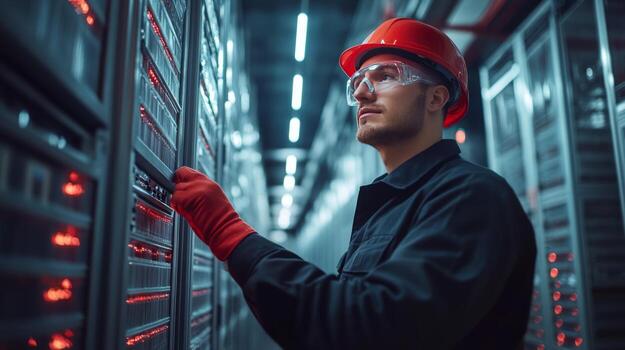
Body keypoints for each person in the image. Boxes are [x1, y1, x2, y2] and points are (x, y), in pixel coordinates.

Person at [171, 18, 536, 349]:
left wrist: (232, 235)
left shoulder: (472, 198)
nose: (362, 93)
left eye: (385, 76)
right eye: (358, 83)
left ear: (436, 97)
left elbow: (365, 327)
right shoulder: (391, 205)